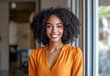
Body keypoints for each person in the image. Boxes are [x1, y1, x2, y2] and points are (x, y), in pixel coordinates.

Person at [29, 7, 83, 76]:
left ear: (65, 28)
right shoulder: (35, 55)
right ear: (43, 28)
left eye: (59, 26)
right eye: (49, 26)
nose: (54, 30)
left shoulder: (75, 53)